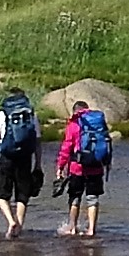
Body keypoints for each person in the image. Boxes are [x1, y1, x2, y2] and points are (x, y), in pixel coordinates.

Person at [0, 87, 41, 238]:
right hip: (25, 156)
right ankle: (19, 226)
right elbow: (37, 141)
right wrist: (38, 163)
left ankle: (10, 221)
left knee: (2, 194)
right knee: (22, 193)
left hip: (6, 155)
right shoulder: (31, 114)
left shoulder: (3, 113)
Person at [53, 99, 108, 237]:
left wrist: (60, 166)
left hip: (77, 167)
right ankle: (91, 230)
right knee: (92, 198)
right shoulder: (98, 122)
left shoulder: (74, 124)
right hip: (96, 166)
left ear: (75, 111)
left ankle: (72, 227)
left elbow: (66, 148)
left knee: (75, 197)